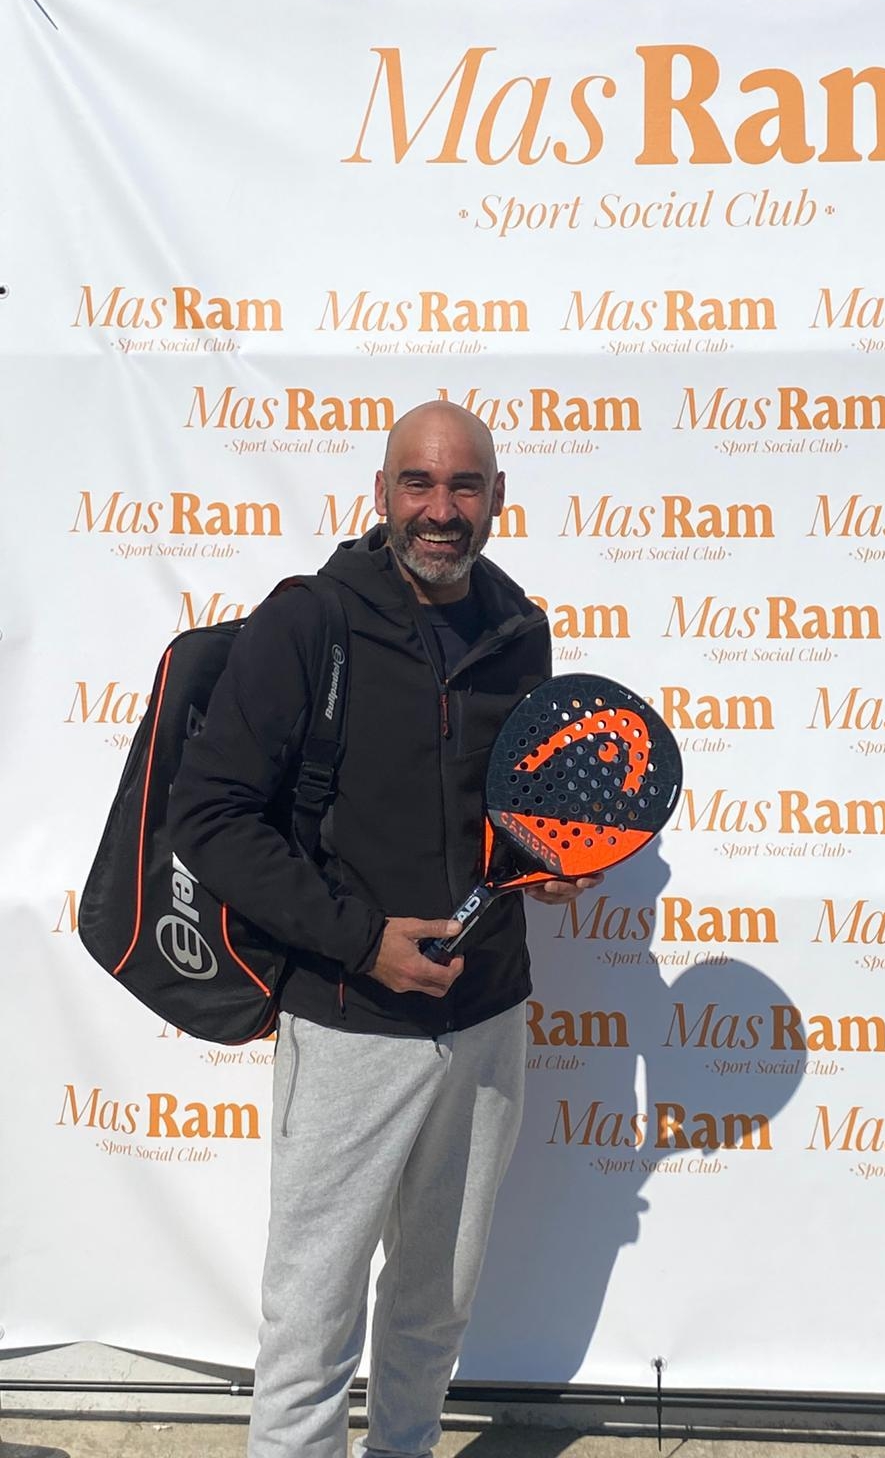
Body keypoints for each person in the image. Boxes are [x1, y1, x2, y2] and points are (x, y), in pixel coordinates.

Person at [169, 402, 595, 1458]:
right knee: (310, 1323)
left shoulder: (520, 629)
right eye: (419, 482)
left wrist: (545, 867)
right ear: (381, 493)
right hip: (348, 1017)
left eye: (464, 485)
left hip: (487, 1018)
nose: (440, 509)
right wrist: (363, 942)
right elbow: (209, 816)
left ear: (498, 497)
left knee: (434, 1306)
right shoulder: (308, 622)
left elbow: (513, 810)